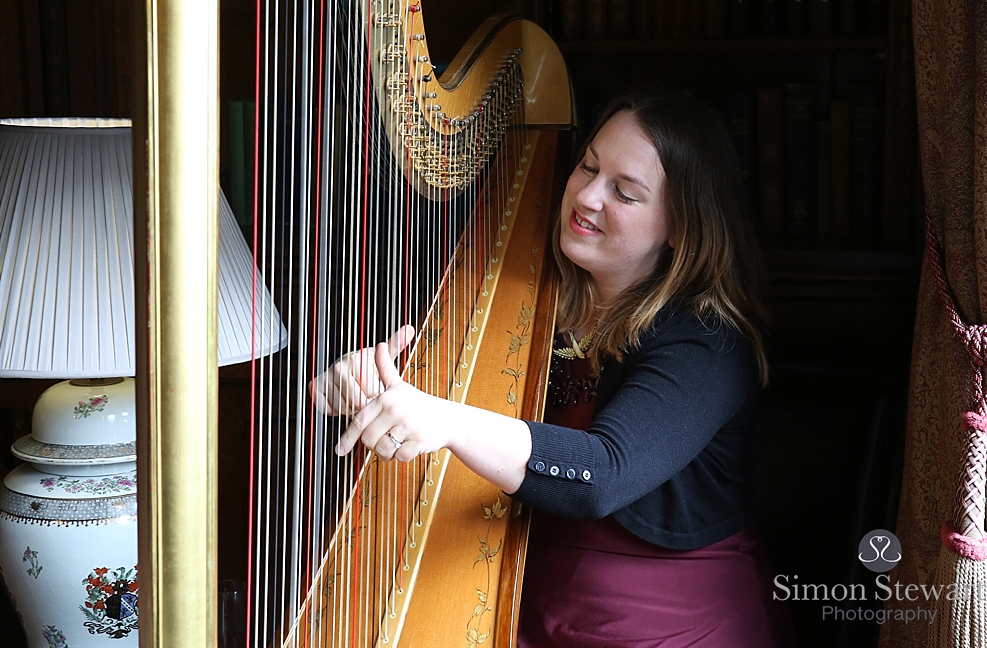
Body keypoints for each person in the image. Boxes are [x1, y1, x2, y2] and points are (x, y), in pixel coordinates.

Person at [312, 92, 796, 647]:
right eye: (588, 166)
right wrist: (359, 389)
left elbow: (602, 475)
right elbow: (426, 420)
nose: (587, 195)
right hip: (523, 603)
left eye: (625, 191)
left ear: (680, 228)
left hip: (665, 622)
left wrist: (447, 420)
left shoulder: (707, 343)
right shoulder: (523, 297)